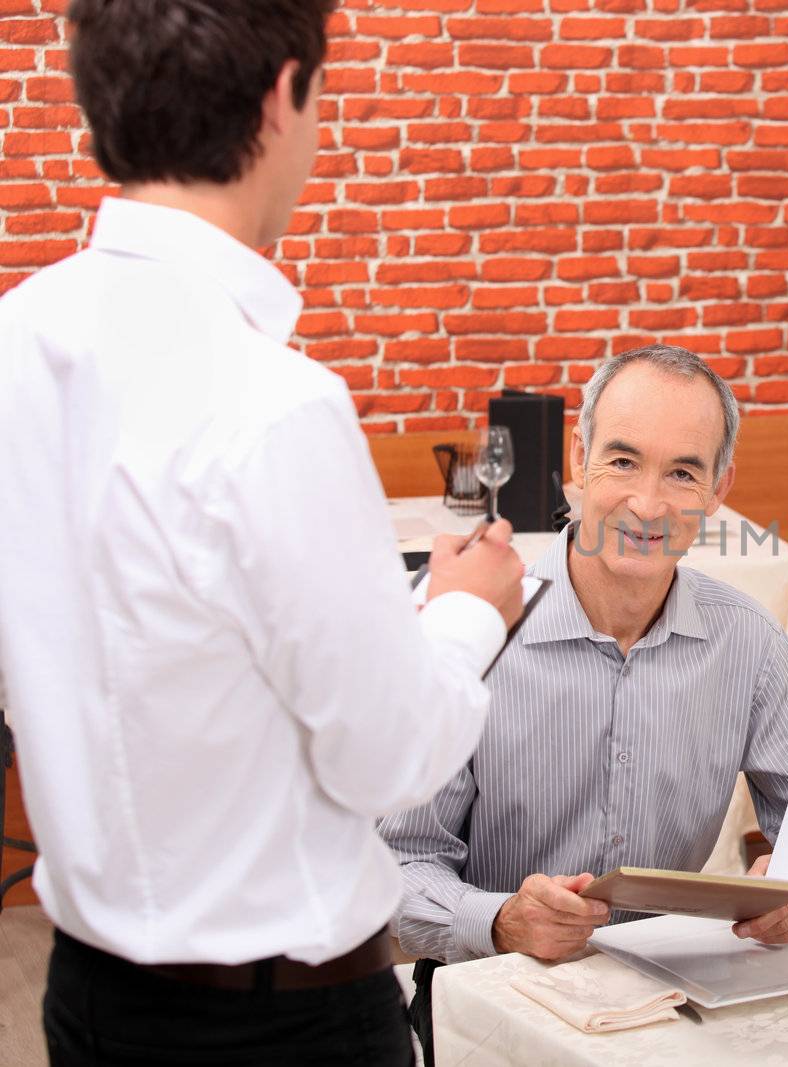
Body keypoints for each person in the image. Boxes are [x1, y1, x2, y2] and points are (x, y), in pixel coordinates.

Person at [0, 2, 527, 1063]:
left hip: (87, 995)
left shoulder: (16, 339)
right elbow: (387, 757)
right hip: (278, 1021)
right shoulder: (271, 400)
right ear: (285, 96)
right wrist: (467, 613)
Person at [380, 344, 788, 1058]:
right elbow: (395, 863)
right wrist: (500, 919)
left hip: (678, 1003)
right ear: (579, 456)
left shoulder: (750, 645)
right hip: (493, 998)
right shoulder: (474, 630)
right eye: (622, 461)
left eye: (683, 472)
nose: (649, 503)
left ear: (718, 486)